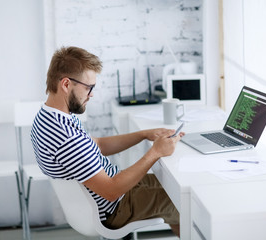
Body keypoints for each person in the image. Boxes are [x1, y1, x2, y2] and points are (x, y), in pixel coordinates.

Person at [30, 46, 184, 237]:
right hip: (116, 207)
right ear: (66, 84)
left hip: (116, 194)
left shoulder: (48, 117)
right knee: (184, 200)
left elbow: (98, 145)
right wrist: (156, 152)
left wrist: (144, 134)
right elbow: (111, 190)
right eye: (88, 87)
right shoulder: (65, 137)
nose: (91, 94)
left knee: (177, 185)